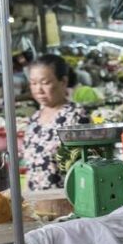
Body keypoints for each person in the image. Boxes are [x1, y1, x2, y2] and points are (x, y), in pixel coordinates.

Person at [23, 54, 89, 191]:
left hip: (65, 200)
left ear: (63, 82)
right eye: (33, 83)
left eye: (45, 83)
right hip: (35, 202)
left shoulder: (75, 115)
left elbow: (85, 166)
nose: (38, 90)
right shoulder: (34, 119)